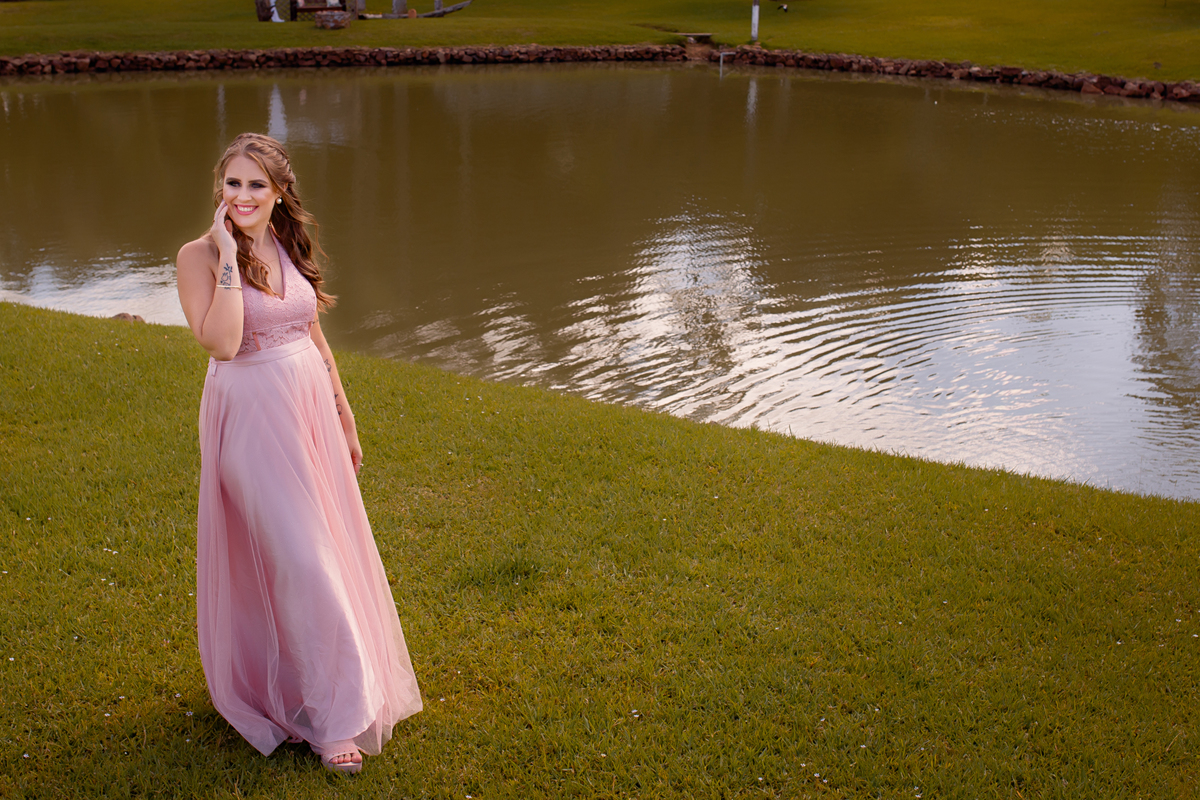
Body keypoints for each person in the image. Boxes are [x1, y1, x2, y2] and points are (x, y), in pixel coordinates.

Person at [176, 132, 422, 774]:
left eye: (256, 184)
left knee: (324, 550)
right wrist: (227, 254)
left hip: (308, 409)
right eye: (233, 182)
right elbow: (222, 343)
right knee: (302, 559)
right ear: (219, 187)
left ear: (280, 191)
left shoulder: (287, 244)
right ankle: (334, 720)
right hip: (250, 416)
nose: (242, 195)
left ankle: (309, 687)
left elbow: (313, 334)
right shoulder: (199, 256)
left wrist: (344, 415)